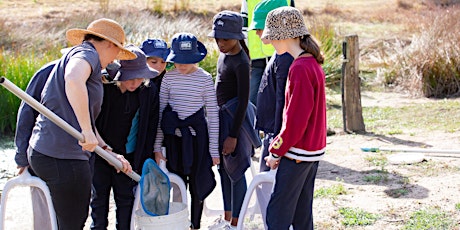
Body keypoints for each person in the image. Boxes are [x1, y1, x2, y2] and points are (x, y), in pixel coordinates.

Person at [27, 18, 135, 229]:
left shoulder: (80, 54)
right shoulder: (88, 54)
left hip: (48, 150)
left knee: (66, 222)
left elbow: (83, 118)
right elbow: (74, 78)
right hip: (62, 157)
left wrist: (107, 150)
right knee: (72, 224)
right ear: (109, 44)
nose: (114, 60)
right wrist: (86, 130)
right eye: (117, 53)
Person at [262, 6, 326, 230]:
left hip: (297, 152)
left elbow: (295, 120)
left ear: (285, 36)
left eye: (271, 37)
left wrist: (276, 150)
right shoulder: (312, 63)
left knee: (277, 216)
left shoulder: (299, 68)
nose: (269, 42)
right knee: (301, 215)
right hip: (311, 152)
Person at [153, 32, 219, 230]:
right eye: (177, 61)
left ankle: (195, 224)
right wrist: (158, 145)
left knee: (198, 184)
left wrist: (214, 150)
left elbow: (213, 115)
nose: (181, 65)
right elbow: (161, 113)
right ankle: (179, 223)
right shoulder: (169, 79)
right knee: (177, 184)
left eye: (186, 61)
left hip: (198, 139)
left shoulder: (205, 79)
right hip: (175, 140)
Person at [90, 45, 159, 230]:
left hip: (129, 156)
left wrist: (145, 156)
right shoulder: (103, 87)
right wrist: (103, 151)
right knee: (98, 199)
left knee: (125, 200)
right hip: (101, 152)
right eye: (130, 77)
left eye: (140, 77)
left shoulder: (148, 91)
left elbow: (150, 125)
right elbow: (90, 121)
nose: (135, 82)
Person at [207, 11, 261, 229]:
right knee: (223, 170)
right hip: (220, 120)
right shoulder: (224, 54)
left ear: (238, 37)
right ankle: (227, 218)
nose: (221, 43)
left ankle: (237, 222)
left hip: (234, 123)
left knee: (236, 171)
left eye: (226, 39)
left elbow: (243, 101)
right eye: (217, 38)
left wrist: (232, 136)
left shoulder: (240, 61)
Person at [241, 0, 294, 106]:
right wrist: (245, 52)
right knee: (253, 101)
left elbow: (293, 23)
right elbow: (244, 25)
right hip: (256, 55)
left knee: (280, 97)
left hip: (281, 53)